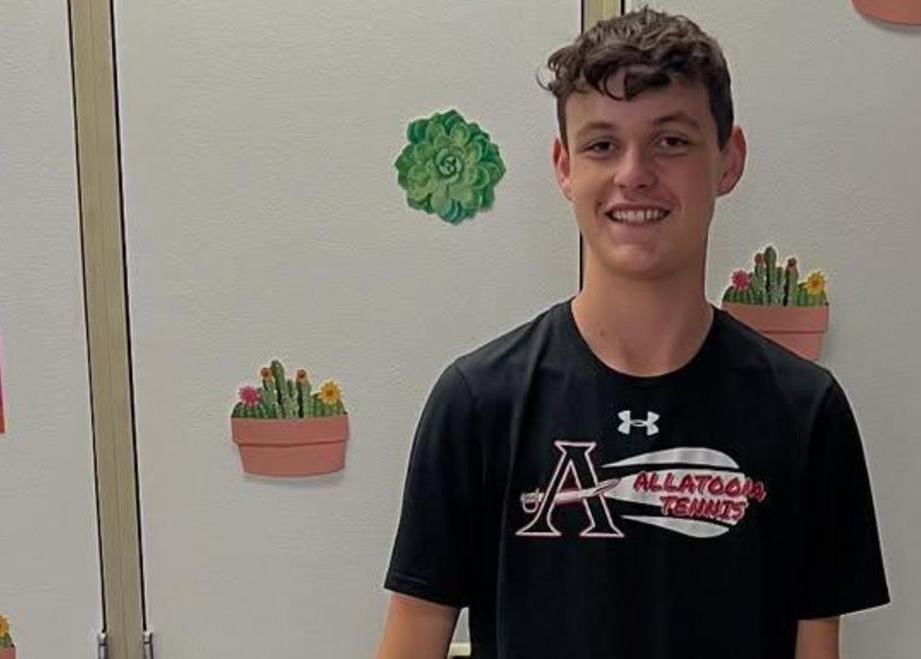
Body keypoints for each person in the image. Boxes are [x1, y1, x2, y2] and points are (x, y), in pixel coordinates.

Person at [374, 8, 889, 658]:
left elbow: (815, 645)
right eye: (602, 145)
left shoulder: (805, 411)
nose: (633, 173)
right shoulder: (477, 403)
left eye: (670, 141)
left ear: (729, 159)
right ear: (565, 167)